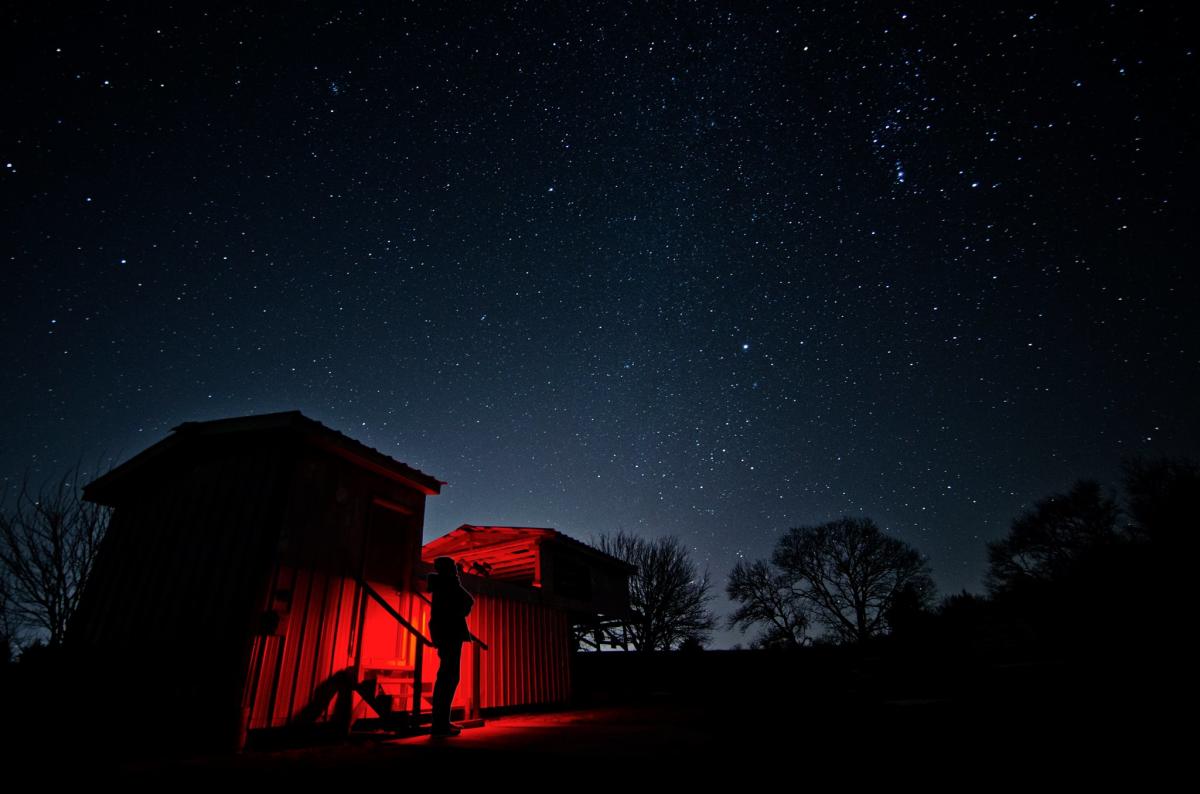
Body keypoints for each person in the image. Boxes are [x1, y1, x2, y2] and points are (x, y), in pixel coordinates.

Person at [427, 556, 474, 736]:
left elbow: (466, 601)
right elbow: (468, 600)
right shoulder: (447, 584)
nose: (456, 570)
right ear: (447, 568)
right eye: (453, 566)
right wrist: (460, 612)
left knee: (448, 677)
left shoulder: (443, 584)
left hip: (447, 634)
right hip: (450, 634)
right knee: (448, 678)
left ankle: (441, 722)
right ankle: (440, 724)